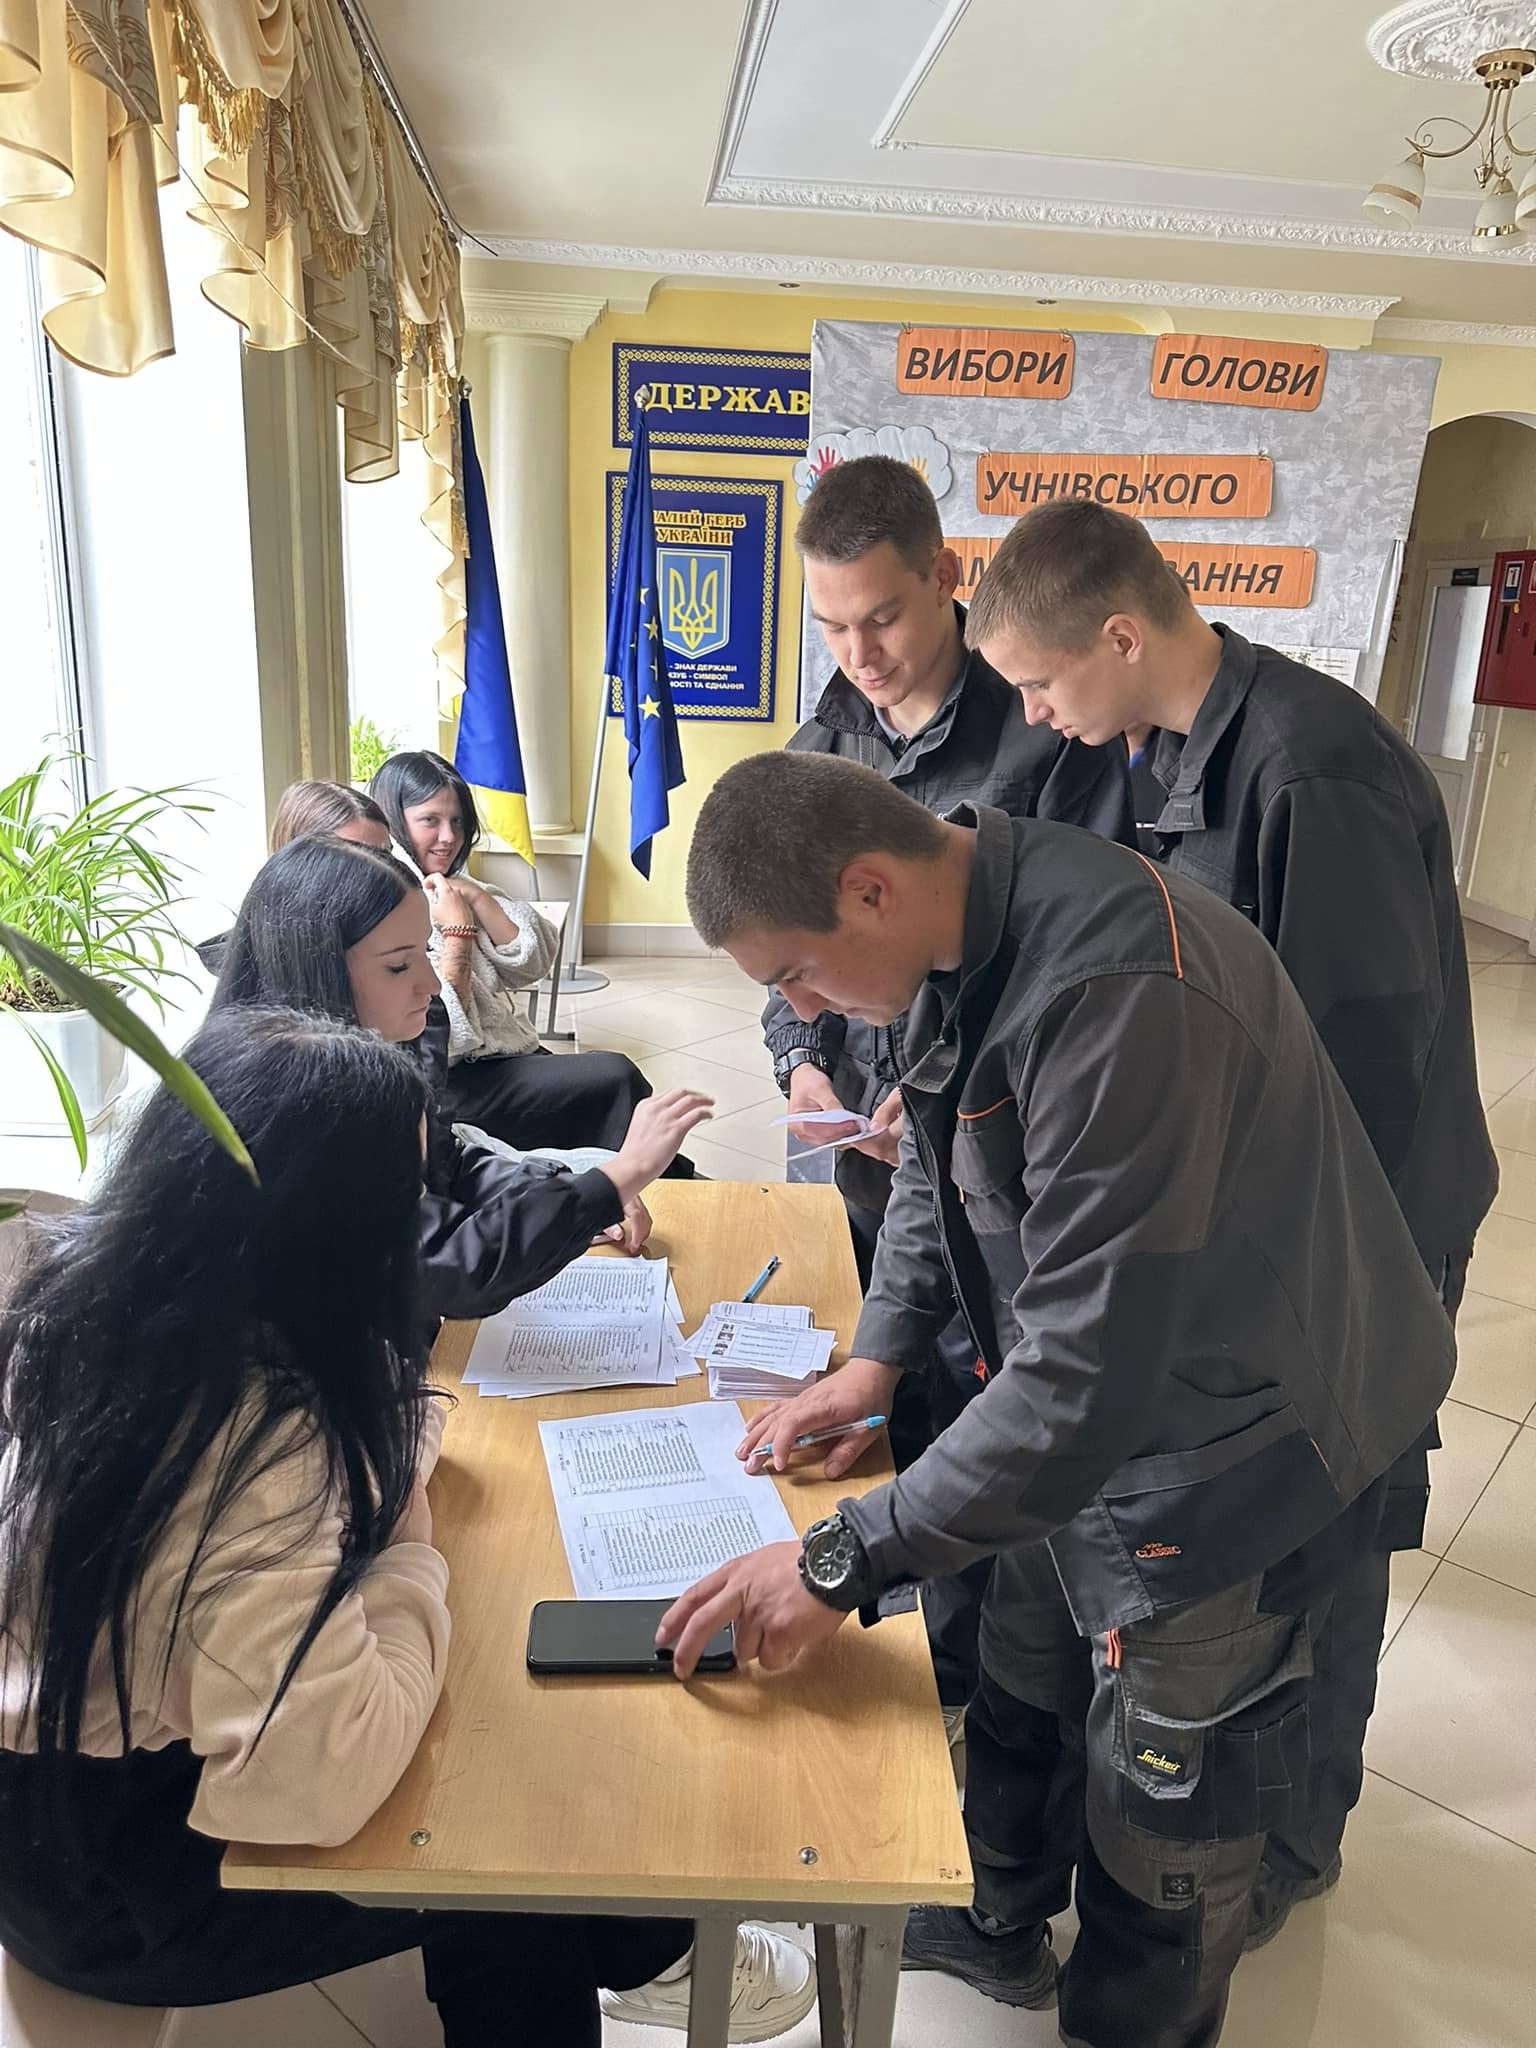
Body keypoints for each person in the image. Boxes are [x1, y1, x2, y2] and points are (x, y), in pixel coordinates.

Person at [660, 752, 1455, 2048]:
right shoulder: (953, 935)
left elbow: (1089, 1375)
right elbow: (934, 1168)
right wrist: (878, 1357)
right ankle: (999, 1916)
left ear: (868, 889)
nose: (798, 1010)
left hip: (1230, 1449)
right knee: (1023, 1666)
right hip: (1076, 1408)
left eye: (792, 973)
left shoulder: (1119, 991)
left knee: (1167, 1813)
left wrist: (840, 1556)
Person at [964, 498, 1498, 1946]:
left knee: (1327, 1521)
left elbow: (1356, 1070)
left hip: (1363, 1230)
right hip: (1269, 1216)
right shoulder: (1154, 744)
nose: (1036, 715)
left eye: (1043, 683)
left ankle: (1296, 1846)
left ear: (1121, 635)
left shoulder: (1314, 771)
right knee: (1265, 1530)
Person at [764, 455, 1128, 1718]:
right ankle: (914, 1608)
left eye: (882, 617)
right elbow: (787, 963)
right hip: (871, 1150)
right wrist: (802, 1058)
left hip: (1004, 1139)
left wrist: (948, 1091)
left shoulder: (1046, 729)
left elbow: (1080, 952)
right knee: (882, 1365)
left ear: (944, 578)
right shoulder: (822, 741)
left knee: (989, 1389)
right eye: (832, 627)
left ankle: (976, 1662)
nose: (860, 653)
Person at [211, 836, 711, 1322]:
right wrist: (609, 1183)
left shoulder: (392, 1040)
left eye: (426, 952)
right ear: (318, 968)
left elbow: (445, 1163)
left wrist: (568, 1193)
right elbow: (445, 1265)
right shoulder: (287, 1106)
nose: (432, 984)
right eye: (399, 965)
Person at [371, 751, 667, 1161]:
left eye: (457, 821)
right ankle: (656, 1179)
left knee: (603, 1082)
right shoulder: (391, 910)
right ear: (393, 819)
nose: (448, 836)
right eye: (430, 820)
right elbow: (443, 1037)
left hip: (502, 1059)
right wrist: (458, 933)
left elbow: (535, 960)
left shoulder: (450, 888)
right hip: (451, 1085)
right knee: (615, 1077)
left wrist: (477, 898)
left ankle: (661, 1176)